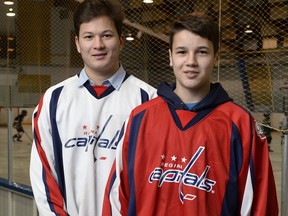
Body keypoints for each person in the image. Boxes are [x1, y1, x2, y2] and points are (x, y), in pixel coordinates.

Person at [104, 12, 279, 215]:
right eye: (181, 52)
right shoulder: (139, 119)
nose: (191, 61)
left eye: (202, 52)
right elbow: (116, 199)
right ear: (170, 57)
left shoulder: (240, 124)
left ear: (216, 57)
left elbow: (260, 204)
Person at [29, 0, 156, 215]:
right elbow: (43, 174)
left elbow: (152, 179)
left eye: (107, 35)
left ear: (122, 41)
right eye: (89, 37)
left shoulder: (149, 100)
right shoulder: (53, 99)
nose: (98, 44)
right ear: (77, 43)